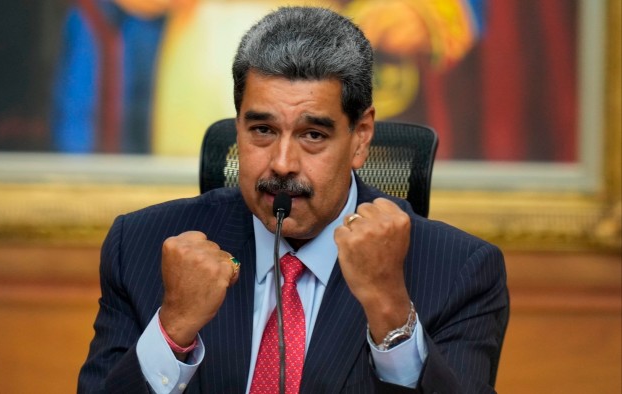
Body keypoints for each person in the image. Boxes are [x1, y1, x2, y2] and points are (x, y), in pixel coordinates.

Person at [78, 6, 509, 393]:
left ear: (360, 139)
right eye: (262, 130)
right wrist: (171, 331)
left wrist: (391, 312)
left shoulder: (458, 272)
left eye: (313, 135)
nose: (282, 164)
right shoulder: (138, 247)